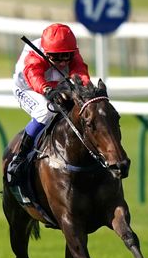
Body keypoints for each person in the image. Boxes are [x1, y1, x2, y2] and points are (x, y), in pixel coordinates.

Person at [6, 23, 91, 182]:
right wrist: (46, 90)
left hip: (56, 86)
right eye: (56, 57)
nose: (62, 62)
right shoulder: (35, 53)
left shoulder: (71, 52)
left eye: (66, 56)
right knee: (46, 110)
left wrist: (84, 88)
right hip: (28, 88)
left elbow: (80, 71)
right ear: (46, 52)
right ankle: (20, 158)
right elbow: (34, 75)